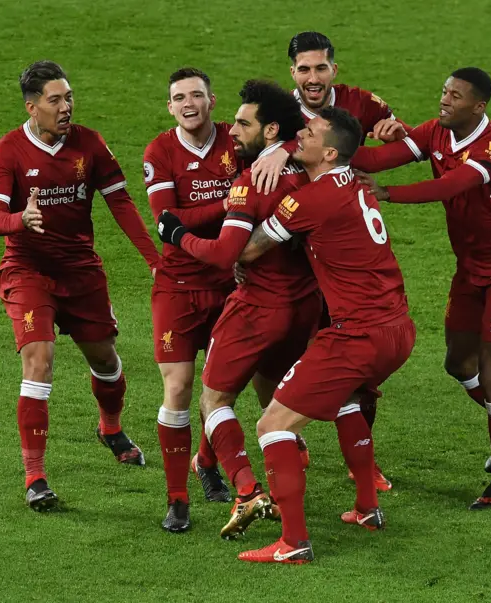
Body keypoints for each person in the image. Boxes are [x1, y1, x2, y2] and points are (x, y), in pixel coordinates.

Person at [353, 67, 491, 509]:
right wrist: (318, 145)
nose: (444, 100)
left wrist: (388, 195)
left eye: (455, 96)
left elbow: (450, 185)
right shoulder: (435, 132)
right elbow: (377, 158)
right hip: (471, 271)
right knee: (459, 364)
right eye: (444, 91)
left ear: (478, 106)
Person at [234, 107, 415, 564]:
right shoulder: (353, 181)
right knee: (348, 399)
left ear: (330, 151)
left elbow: (252, 248)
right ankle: (367, 509)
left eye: (309, 132)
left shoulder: (312, 200)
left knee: (272, 425)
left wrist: (232, 247)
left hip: (357, 335)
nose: (301, 133)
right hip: (398, 329)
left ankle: (293, 543)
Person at [0, 60, 159, 511]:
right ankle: (36, 476)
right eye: (55, 100)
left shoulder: (89, 144)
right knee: (38, 363)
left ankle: (110, 427)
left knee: (106, 360)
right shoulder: (7, 152)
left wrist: (156, 261)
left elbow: (120, 203)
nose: (66, 107)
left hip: (81, 272)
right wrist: (21, 219)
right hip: (27, 271)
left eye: (69, 97)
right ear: (32, 106)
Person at [158, 80, 320, 539]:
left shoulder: (251, 182)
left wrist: (177, 236)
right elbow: (325, 131)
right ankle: (291, 470)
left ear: (268, 131)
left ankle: (248, 491)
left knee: (214, 399)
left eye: (244, 124)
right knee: (273, 399)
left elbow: (227, 254)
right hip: (305, 305)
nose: (233, 132)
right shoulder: (311, 167)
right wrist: (286, 147)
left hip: (257, 306)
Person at [250, 30, 407, 490]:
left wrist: (391, 135)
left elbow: (400, 138)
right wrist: (275, 150)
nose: (312, 77)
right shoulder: (278, 115)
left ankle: (355, 464)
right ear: (292, 73)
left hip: (332, 248)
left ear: (334, 70)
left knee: (353, 375)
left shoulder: (360, 104)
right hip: (299, 257)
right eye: (304, 69)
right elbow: (243, 150)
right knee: (273, 352)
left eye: (320, 68)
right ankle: (279, 439)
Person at [143, 67, 238, 531]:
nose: (188, 103)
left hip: (231, 285)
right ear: (170, 106)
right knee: (179, 388)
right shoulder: (160, 151)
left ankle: (206, 460)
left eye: (196, 95)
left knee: (220, 388)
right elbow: (166, 220)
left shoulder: (236, 143)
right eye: (179, 96)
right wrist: (224, 206)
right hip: (177, 287)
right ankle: (177, 499)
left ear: (211, 100)